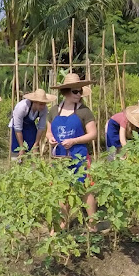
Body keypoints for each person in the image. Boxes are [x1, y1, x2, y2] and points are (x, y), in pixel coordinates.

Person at [46, 73, 98, 219]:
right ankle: (64, 223)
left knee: (86, 188)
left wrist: (74, 141)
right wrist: (50, 138)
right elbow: (48, 132)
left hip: (79, 156)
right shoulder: (54, 110)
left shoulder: (84, 111)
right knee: (62, 190)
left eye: (80, 91)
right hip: (60, 158)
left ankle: (93, 224)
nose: (79, 94)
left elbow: (93, 134)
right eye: (75, 91)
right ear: (66, 91)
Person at [9, 88, 56, 157]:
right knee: (18, 151)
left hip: (30, 126)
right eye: (40, 104)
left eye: (44, 104)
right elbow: (18, 128)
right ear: (34, 102)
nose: (42, 106)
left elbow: (41, 127)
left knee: (32, 151)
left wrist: (36, 145)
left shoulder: (44, 109)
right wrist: (21, 147)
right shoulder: (22, 107)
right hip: (18, 128)